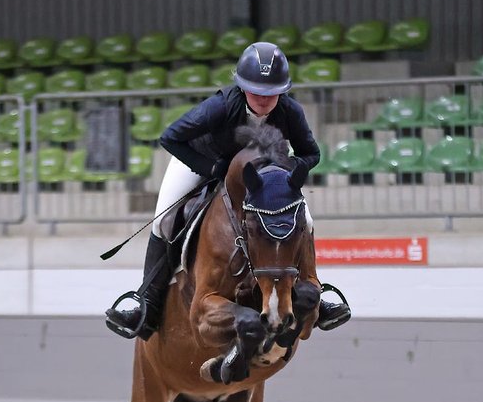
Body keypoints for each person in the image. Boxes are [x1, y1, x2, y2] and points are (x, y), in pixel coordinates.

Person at [105, 41, 351, 340]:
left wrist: (294, 168)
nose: (264, 99)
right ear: (243, 87)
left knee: (305, 221)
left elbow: (311, 153)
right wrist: (210, 168)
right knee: (164, 221)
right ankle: (147, 303)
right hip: (203, 161)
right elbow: (171, 138)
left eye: (271, 93)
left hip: (263, 175)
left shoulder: (290, 110)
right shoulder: (220, 106)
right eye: (257, 92)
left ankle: (317, 293)